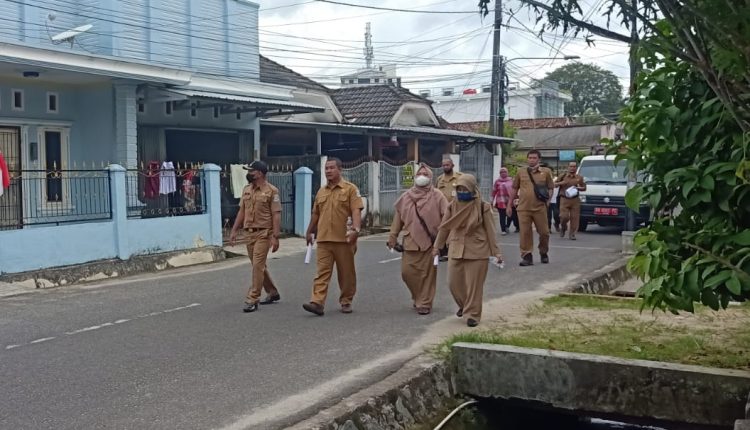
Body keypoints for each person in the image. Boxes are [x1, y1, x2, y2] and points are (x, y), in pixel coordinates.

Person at [433, 174, 502, 327]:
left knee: (474, 286)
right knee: (453, 283)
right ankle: (464, 306)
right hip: (456, 247)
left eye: (465, 188)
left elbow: (490, 231)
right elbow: (445, 228)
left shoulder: (483, 206)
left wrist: (496, 252)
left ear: (472, 188)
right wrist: (437, 247)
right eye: (459, 188)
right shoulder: (452, 205)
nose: (462, 191)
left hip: (477, 250)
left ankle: (473, 315)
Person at [303, 157, 364, 316]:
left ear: (340, 169)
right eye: (326, 168)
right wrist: (309, 231)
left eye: (331, 168)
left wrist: (356, 230)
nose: (328, 171)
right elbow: (316, 213)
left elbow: (356, 210)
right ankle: (317, 302)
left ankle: (346, 300)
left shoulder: (350, 189)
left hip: (344, 239)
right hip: (324, 239)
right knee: (322, 272)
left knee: (346, 273)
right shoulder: (321, 191)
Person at [388, 164, 448, 315]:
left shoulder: (438, 195)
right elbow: (398, 219)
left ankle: (425, 302)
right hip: (410, 243)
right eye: (419, 174)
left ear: (430, 177)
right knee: (407, 273)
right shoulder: (406, 196)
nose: (422, 176)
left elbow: (447, 218)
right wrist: (392, 237)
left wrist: (445, 240)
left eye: (425, 174)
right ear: (415, 177)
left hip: (431, 243)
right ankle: (417, 296)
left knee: (428, 275)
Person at [228, 161, 282, 313]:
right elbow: (241, 212)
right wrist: (233, 230)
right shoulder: (247, 189)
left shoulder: (272, 191)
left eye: (251, 171)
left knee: (258, 265)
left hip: (264, 233)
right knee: (258, 266)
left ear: (259, 173)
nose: (249, 173)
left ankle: (253, 298)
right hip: (249, 234)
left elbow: (276, 214)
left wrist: (275, 236)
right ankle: (272, 292)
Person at [507, 150, 554, 266]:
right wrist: (509, 204)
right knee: (525, 233)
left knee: (544, 232)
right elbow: (514, 188)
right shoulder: (521, 172)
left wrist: (548, 201)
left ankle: (543, 252)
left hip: (540, 208)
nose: (532, 160)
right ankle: (527, 256)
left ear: (539, 159)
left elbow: (550, 188)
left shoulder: (546, 172)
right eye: (530, 158)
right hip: (523, 208)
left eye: (534, 158)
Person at [435, 157, 462, 260]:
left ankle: (452, 250)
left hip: (455, 209)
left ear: (452, 165)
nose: (445, 167)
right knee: (442, 229)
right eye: (444, 165)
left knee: (453, 231)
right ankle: (442, 251)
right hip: (442, 210)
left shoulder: (459, 177)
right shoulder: (439, 179)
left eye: (447, 165)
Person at [555, 161, 587, 240]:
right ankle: (563, 227)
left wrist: (579, 188)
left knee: (574, 218)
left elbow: (584, 188)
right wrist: (562, 183)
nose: (572, 168)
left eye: (574, 167)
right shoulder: (563, 176)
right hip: (564, 199)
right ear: (568, 167)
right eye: (571, 166)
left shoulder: (579, 177)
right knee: (563, 217)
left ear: (576, 168)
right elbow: (554, 184)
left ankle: (572, 234)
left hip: (575, 199)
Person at [491, 167, 515, 235]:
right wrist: (492, 200)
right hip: (500, 201)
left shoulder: (511, 180)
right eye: (501, 172)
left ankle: (507, 226)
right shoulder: (497, 181)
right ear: (500, 173)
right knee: (502, 216)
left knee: (510, 215)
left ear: (507, 173)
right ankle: (503, 230)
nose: (503, 173)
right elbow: (494, 191)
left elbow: (514, 190)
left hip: (510, 201)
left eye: (505, 172)